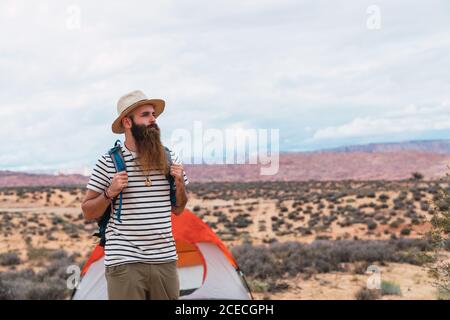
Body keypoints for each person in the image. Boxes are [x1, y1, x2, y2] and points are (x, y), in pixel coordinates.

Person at [81, 90, 189, 300]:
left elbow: (179, 209)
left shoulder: (169, 158)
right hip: (124, 261)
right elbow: (87, 211)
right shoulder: (108, 162)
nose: (153, 120)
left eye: (154, 115)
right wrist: (109, 192)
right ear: (127, 122)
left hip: (164, 259)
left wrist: (179, 184)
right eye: (146, 115)